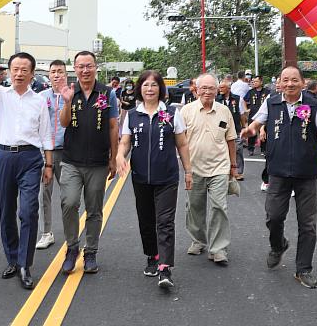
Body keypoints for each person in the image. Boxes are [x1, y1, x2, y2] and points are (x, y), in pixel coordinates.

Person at [241, 66, 317, 289]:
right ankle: (278, 245)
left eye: (295, 80)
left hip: (306, 172)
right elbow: (258, 121)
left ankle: (303, 268)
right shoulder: (272, 102)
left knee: (308, 223)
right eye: (286, 80)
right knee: (273, 216)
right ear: (280, 83)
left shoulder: (313, 105)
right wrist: (251, 129)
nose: (290, 84)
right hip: (278, 171)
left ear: (303, 83)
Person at [0, 49, 53, 290]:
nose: (19, 73)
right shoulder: (0, 94)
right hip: (4, 156)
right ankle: (12, 258)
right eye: (15, 69)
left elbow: (45, 135)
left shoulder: (39, 101)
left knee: (29, 211)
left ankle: (24, 263)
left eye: (24, 70)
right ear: (9, 72)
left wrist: (49, 164)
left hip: (31, 158)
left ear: (32, 74)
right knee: (7, 210)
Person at [116, 70, 192, 289]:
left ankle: (165, 268)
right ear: (140, 88)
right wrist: (121, 155)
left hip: (167, 177)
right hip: (140, 178)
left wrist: (188, 171)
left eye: (154, 85)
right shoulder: (132, 115)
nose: (150, 89)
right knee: (146, 221)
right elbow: (125, 142)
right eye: (146, 85)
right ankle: (152, 255)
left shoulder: (171, 113)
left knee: (165, 222)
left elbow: (182, 144)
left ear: (161, 89)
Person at [56, 51, 119, 274]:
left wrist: (114, 157)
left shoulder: (107, 93)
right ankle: (72, 247)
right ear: (75, 68)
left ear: (95, 67)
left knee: (94, 209)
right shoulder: (69, 91)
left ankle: (91, 251)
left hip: (98, 162)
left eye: (89, 66)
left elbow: (113, 126)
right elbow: (64, 123)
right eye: (80, 66)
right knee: (69, 203)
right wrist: (66, 102)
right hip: (72, 160)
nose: (85, 70)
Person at [181, 74, 237, 266]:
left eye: (211, 88)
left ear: (217, 90)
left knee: (219, 207)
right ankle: (198, 240)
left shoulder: (224, 111)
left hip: (219, 167)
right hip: (194, 168)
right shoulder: (186, 111)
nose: (207, 91)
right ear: (196, 90)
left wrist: (233, 166)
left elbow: (231, 140)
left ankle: (218, 248)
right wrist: (184, 167)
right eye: (203, 88)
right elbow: (180, 142)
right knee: (194, 207)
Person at [36, 60, 68, 250]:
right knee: (44, 193)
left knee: (69, 196)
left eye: (60, 72)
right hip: (45, 152)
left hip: (67, 152)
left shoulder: (72, 95)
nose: (56, 75)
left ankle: (71, 233)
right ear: (49, 75)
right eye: (53, 72)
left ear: (66, 74)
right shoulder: (41, 97)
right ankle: (46, 233)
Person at [217, 80, 246, 181]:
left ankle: (238, 171)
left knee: (238, 149)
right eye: (219, 87)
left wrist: (244, 127)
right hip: (221, 128)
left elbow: (242, 114)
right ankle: (223, 171)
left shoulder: (238, 99)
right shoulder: (216, 99)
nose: (220, 90)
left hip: (236, 127)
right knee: (221, 150)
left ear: (228, 88)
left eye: (222, 87)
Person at [244, 75, 270, 158]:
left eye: (256, 81)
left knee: (264, 131)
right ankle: (251, 149)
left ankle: (264, 149)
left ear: (261, 82)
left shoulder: (267, 92)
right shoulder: (251, 92)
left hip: (264, 115)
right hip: (253, 114)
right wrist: (246, 109)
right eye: (253, 82)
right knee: (252, 132)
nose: (254, 83)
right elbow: (244, 100)